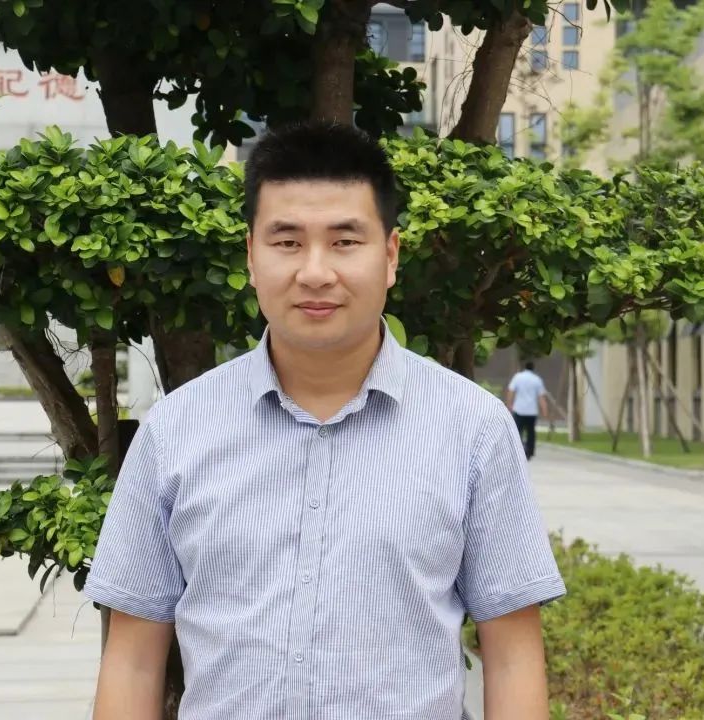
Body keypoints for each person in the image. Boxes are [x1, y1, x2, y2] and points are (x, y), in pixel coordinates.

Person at [85, 121, 565, 720]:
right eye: (287, 242)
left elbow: (513, 655)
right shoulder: (175, 431)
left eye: (344, 241)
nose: (315, 272)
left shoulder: (473, 429)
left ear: (390, 256)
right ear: (251, 256)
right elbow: (132, 661)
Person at [506, 361, 551, 460]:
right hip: (532, 411)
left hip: (519, 409)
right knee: (531, 432)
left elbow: (511, 391)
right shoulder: (537, 379)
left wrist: (509, 405)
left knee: (518, 431)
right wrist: (545, 411)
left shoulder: (518, 377)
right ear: (533, 368)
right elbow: (541, 397)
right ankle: (530, 452)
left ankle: (517, 451)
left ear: (524, 367)